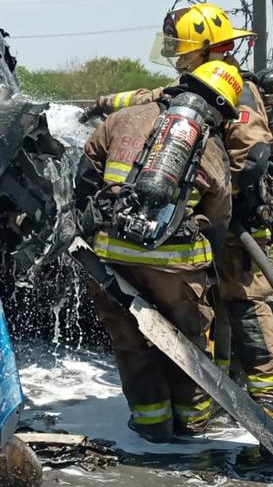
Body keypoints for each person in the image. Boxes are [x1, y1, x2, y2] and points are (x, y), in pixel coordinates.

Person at [82, 3, 273, 417]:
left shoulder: (239, 93)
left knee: (243, 298)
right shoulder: (197, 86)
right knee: (206, 306)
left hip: (235, 218)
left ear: (210, 49)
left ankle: (269, 395)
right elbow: (151, 97)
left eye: (185, 48)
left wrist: (209, 199)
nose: (178, 55)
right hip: (199, 216)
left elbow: (250, 161)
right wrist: (104, 102)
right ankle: (217, 391)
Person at [76, 59, 239, 442]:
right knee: (188, 343)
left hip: (112, 259)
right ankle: (192, 423)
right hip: (174, 269)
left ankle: (151, 425)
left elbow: (85, 172)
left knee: (130, 341)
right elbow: (218, 217)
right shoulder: (210, 147)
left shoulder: (123, 119)